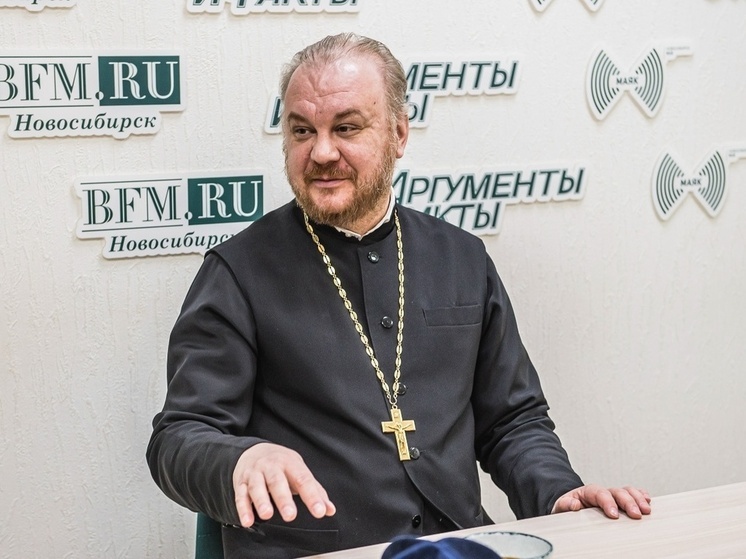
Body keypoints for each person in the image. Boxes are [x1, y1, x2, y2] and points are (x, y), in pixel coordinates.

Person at [146, 33, 651, 559]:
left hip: (456, 547)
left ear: (398, 133)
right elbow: (178, 437)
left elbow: (511, 420)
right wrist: (238, 460)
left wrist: (558, 494)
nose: (321, 152)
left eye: (346, 128)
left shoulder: (462, 257)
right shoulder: (238, 272)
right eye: (302, 131)